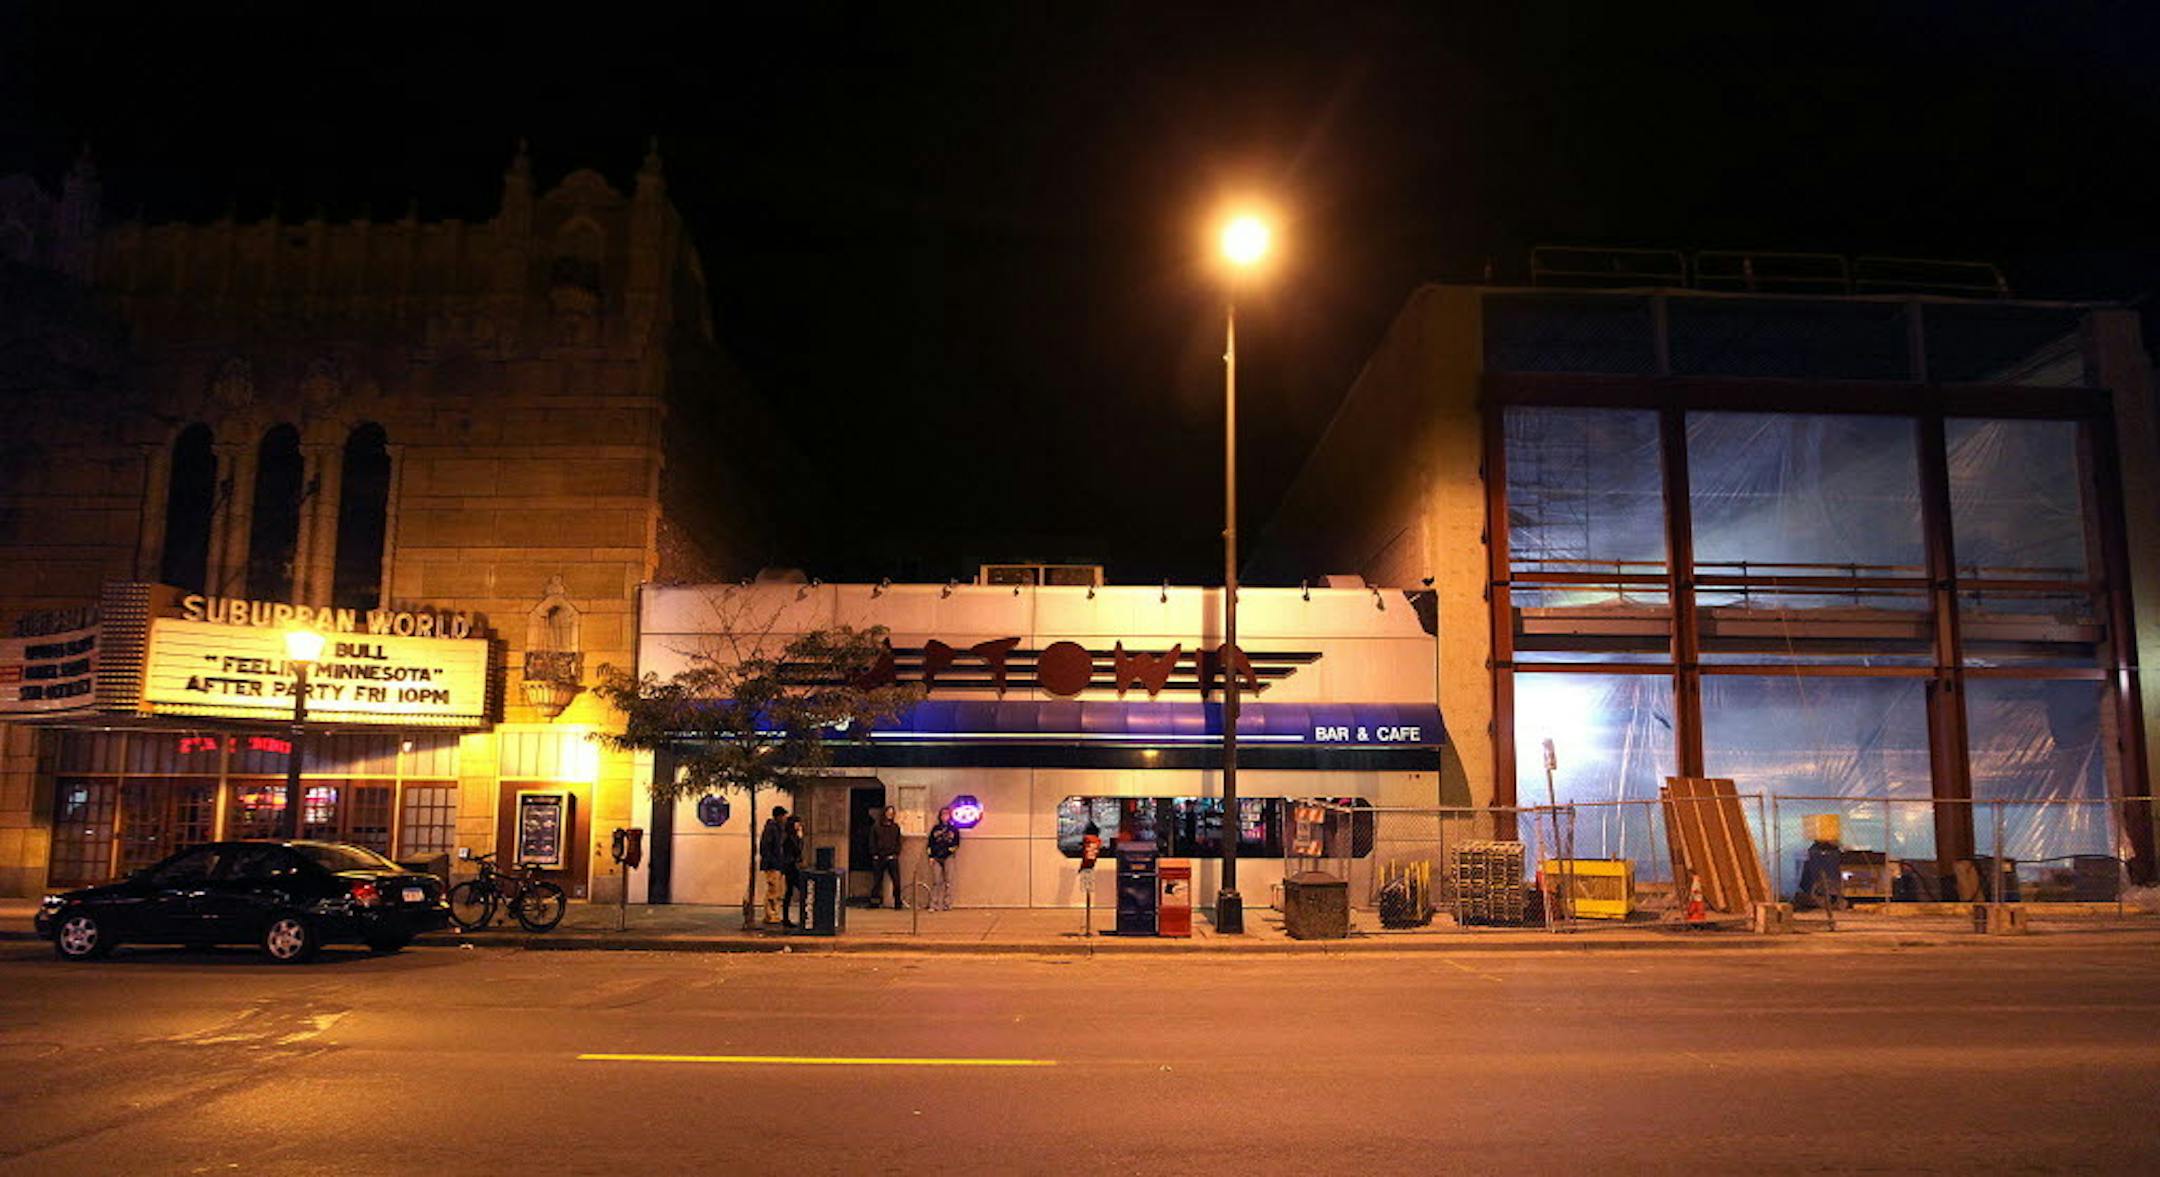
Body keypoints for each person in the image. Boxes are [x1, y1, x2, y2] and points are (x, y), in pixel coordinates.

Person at [757, 805, 789, 927]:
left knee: (777, 890)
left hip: (777, 864)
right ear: (779, 816)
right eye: (784, 816)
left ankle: (774, 914)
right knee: (773, 890)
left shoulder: (779, 828)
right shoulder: (771, 828)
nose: (785, 818)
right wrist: (771, 861)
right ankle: (770, 915)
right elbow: (766, 847)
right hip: (773, 864)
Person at [869, 805, 904, 909]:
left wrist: (896, 853)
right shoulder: (876, 827)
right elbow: (872, 841)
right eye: (888, 812)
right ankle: (874, 902)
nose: (890, 814)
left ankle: (897, 902)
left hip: (892, 857)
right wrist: (874, 854)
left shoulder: (895, 827)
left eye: (892, 813)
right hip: (879, 857)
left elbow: (898, 841)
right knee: (877, 881)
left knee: (896, 881)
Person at [927, 806, 962, 911]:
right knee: (936, 881)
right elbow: (930, 843)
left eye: (947, 814)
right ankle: (933, 904)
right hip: (936, 857)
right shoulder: (935, 829)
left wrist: (948, 852)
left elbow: (956, 844)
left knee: (948, 881)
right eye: (943, 814)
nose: (944, 816)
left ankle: (947, 904)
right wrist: (931, 856)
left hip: (948, 857)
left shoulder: (954, 829)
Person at [780, 815, 807, 928]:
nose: (799, 825)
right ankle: (799, 917)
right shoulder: (790, 837)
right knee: (801, 890)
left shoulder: (791, 836)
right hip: (791, 867)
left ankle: (786, 918)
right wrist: (800, 838)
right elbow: (797, 851)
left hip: (791, 866)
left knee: (789, 892)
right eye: (797, 823)